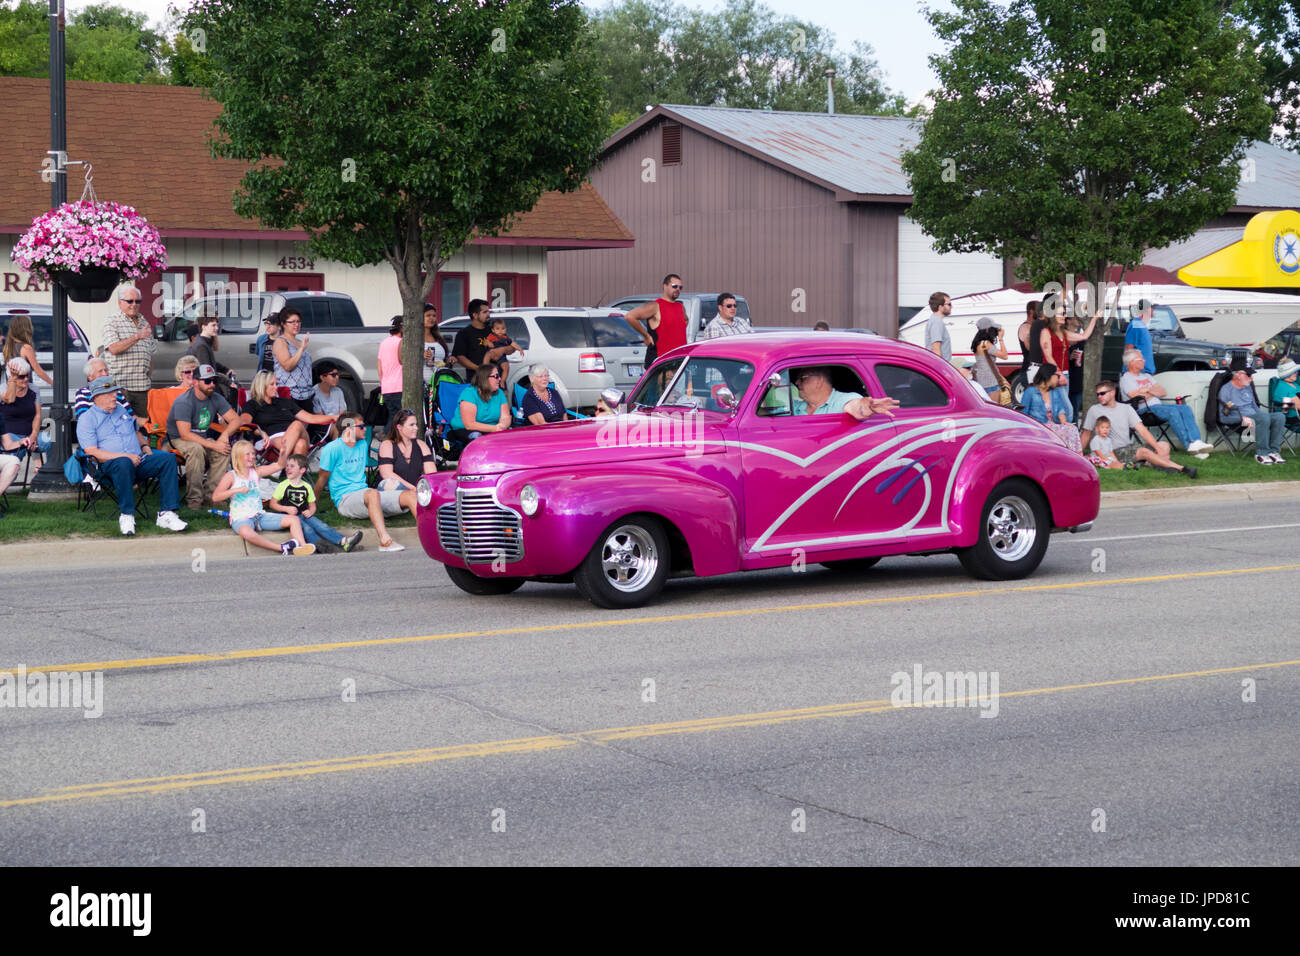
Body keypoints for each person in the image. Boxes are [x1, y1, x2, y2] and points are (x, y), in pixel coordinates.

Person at [76, 377, 189, 535]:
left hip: (138, 459)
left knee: (167, 458)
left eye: (115, 392)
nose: (114, 396)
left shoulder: (121, 409)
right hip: (109, 467)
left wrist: (144, 445)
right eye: (108, 393)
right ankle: (127, 515)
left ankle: (166, 513)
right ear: (96, 397)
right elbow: (92, 452)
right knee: (123, 463)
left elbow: (135, 431)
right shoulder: (86, 419)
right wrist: (126, 456)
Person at [315, 413, 412, 552]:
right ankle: (385, 541)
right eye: (361, 426)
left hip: (366, 495)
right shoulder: (332, 449)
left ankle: (433, 539)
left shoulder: (362, 444)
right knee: (372, 494)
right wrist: (312, 505)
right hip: (345, 499)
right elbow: (321, 480)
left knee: (409, 495)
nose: (365, 429)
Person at [213, 439, 315, 556]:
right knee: (246, 532)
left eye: (253, 453)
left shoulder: (257, 472)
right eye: (248, 454)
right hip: (241, 518)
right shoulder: (231, 476)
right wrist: (236, 490)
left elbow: (279, 465)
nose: (252, 457)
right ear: (238, 456)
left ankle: (302, 546)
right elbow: (216, 497)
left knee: (294, 519)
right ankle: (281, 548)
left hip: (260, 516)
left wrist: (282, 453)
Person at [1081, 380, 1197, 476]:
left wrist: (1157, 447)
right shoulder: (1094, 410)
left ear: (1112, 393)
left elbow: (1142, 430)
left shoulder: (1126, 409)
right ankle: (1181, 468)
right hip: (1113, 452)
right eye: (1098, 394)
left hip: (1127, 448)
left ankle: (1155, 464)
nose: (1099, 397)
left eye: (1102, 393)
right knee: (1144, 451)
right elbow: (1086, 434)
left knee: (1164, 445)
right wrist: (1077, 455)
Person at [166, 363, 241, 509]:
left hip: (201, 438)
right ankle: (194, 500)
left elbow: (236, 420)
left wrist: (224, 436)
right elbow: (185, 434)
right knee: (196, 450)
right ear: (195, 382)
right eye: (207, 381)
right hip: (176, 439)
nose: (212, 384)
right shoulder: (184, 401)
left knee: (223, 450)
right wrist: (214, 444)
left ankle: (213, 496)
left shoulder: (215, 397)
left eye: (213, 380)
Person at [1118, 349, 1214, 457]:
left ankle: (1196, 442)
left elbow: (1163, 392)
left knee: (1185, 408)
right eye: (1141, 359)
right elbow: (1136, 397)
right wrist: (1152, 391)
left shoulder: (1147, 376)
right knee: (1172, 411)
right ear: (1132, 362)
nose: (1144, 361)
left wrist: (1147, 391)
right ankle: (1190, 446)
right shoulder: (1126, 379)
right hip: (1144, 411)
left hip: (1158, 407)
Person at [269, 453, 362, 553]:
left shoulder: (307, 486)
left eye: (291, 466)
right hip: (290, 517)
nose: (287, 468)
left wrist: (311, 512)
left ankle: (344, 542)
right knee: (307, 529)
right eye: (287, 466)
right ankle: (318, 545)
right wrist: (285, 509)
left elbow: (312, 505)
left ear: (302, 470)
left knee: (321, 526)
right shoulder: (283, 485)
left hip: (305, 514)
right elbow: (272, 504)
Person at [240, 370, 337, 460]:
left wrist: (333, 417)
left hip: (295, 435)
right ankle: (293, 475)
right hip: (270, 440)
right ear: (262, 386)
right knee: (300, 444)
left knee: (297, 424)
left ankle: (281, 464)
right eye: (272, 384)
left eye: (276, 384)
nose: (276, 387)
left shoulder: (285, 402)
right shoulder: (252, 404)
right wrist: (261, 432)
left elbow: (310, 418)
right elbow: (244, 424)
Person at [100, 285, 156, 417]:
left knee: (146, 427)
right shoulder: (112, 321)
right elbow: (113, 348)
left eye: (138, 301)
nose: (134, 304)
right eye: (130, 301)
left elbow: (151, 353)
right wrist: (137, 337)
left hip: (143, 388)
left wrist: (149, 374)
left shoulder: (144, 322)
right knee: (121, 426)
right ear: (120, 302)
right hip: (121, 388)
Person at [1218, 357, 1286, 465]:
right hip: (1240, 422)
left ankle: (1273, 452)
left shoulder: (1247, 387)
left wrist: (1265, 418)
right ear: (1238, 375)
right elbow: (1223, 418)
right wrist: (1241, 418)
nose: (1252, 378)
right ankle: (1261, 453)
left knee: (1279, 416)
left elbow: (1255, 408)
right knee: (1263, 417)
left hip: (1256, 419)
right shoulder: (1226, 391)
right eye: (1249, 375)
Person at [622, 274, 689, 367]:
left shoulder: (680, 306)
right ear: (665, 286)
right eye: (674, 286)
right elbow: (630, 316)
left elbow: (685, 320)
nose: (678, 289)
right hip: (661, 362)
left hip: (679, 360)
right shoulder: (655, 306)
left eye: (680, 287)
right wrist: (646, 335)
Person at [790, 366, 901, 420]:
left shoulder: (841, 400)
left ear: (819, 381)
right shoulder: (796, 406)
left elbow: (855, 406)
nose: (796, 382)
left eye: (802, 378)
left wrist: (869, 407)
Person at [376, 410, 436, 501]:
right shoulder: (387, 445)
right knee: (389, 484)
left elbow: (431, 474)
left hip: (415, 491)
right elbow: (387, 474)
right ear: (399, 427)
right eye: (411, 425)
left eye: (416, 425)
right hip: (392, 492)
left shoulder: (421, 445)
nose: (416, 428)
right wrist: (412, 489)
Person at [1022, 363, 1082, 453]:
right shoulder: (1030, 391)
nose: (1058, 378)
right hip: (1036, 426)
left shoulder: (1054, 392)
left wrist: (1064, 422)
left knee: (1072, 428)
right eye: (1057, 375)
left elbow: (1060, 410)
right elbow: (1023, 412)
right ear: (1049, 375)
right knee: (1064, 431)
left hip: (1051, 425)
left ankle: (1077, 456)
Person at [1, 357, 50, 463]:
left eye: (28, 375)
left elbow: (37, 415)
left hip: (30, 433)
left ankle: (52, 474)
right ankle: (8, 478)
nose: (26, 379)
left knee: (53, 440)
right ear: (11, 377)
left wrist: (34, 434)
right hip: (10, 436)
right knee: (14, 453)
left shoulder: (34, 390)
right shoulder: (3, 388)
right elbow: (9, 399)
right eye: (21, 376)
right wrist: (13, 380)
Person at [450, 364, 511, 442]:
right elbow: (470, 424)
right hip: (467, 429)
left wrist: (503, 426)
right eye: (496, 376)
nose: (499, 378)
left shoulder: (500, 393)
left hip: (494, 429)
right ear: (485, 378)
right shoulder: (469, 394)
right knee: (478, 437)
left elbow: (505, 417)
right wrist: (495, 428)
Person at [450, 299, 511, 375]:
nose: (488, 314)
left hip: (497, 379)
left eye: (488, 311)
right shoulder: (463, 333)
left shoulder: (494, 330)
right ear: (475, 315)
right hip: (476, 379)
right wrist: (479, 369)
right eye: (485, 312)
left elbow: (512, 348)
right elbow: (460, 357)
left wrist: (502, 349)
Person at [272, 305, 314, 412]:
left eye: (298, 321)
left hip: (306, 394)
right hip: (289, 394)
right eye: (292, 322)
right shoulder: (281, 341)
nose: (296, 324)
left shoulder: (300, 342)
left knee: (308, 426)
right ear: (283, 324)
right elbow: (287, 366)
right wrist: (301, 349)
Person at [2, 314, 53, 386]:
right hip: (24, 389)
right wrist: (53, 383)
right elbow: (38, 371)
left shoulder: (7, 348)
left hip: (11, 389)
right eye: (30, 325)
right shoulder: (26, 348)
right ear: (26, 329)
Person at [971, 317, 1010, 399]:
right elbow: (1005, 356)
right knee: (994, 407)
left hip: (981, 380)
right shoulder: (986, 344)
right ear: (988, 329)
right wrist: (1001, 339)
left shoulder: (977, 343)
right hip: (991, 381)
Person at [377, 315, 404, 430]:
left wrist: (382, 382)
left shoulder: (384, 343)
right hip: (398, 386)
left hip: (386, 388)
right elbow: (402, 359)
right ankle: (386, 437)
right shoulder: (401, 342)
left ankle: (387, 437)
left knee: (393, 416)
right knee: (399, 418)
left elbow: (379, 365)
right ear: (402, 328)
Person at [311, 361, 347, 440]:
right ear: (323, 377)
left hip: (337, 421)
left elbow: (343, 413)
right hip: (322, 424)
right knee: (337, 428)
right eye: (333, 375)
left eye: (337, 374)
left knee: (353, 423)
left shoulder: (338, 391)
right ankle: (337, 451)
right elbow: (319, 417)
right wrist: (334, 419)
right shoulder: (314, 393)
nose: (337, 377)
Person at [486, 315, 524, 383]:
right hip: (493, 354)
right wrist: (489, 343)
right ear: (493, 330)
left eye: (502, 328)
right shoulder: (491, 336)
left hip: (502, 357)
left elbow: (513, 344)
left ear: (505, 329)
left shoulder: (506, 338)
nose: (500, 331)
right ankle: (484, 369)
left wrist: (520, 348)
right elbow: (486, 341)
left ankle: (502, 381)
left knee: (506, 367)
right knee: (487, 356)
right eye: (497, 329)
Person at [1125, 299, 1156, 375]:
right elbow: (1129, 349)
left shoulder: (1141, 325)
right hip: (1139, 374)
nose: (1152, 315)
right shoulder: (1135, 325)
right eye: (1151, 311)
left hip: (1146, 373)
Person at [422, 302, 450, 384]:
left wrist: (450, 358)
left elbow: (443, 360)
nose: (432, 318)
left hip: (440, 381)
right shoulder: (416, 339)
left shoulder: (438, 338)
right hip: (424, 384)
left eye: (434, 316)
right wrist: (421, 356)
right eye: (428, 315)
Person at [1270, 359, 1300, 427]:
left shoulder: (1295, 384)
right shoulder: (1283, 387)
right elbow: (1298, 405)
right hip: (1293, 419)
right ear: (1287, 374)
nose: (1297, 373)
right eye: (1294, 372)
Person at [924, 291, 952, 361]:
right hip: (940, 367)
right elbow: (936, 349)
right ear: (940, 307)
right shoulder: (936, 322)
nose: (951, 307)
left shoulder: (935, 320)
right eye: (949, 304)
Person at [1017, 300, 1040, 382]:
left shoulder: (1034, 326)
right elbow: (1031, 348)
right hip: (1029, 371)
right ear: (1031, 311)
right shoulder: (1026, 327)